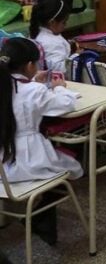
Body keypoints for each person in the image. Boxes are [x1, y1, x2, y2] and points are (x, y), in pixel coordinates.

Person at [0, 38, 83, 245]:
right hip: (30, 160)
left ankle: (42, 221)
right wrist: (60, 87)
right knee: (74, 168)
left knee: (63, 164)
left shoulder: (8, 86)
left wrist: (33, 82)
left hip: (3, 167)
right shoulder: (33, 91)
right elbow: (65, 104)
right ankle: (39, 217)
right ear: (30, 66)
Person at [29, 0, 76, 74]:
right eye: (64, 22)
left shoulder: (38, 33)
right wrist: (77, 55)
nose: (66, 25)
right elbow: (59, 69)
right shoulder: (52, 43)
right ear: (52, 22)